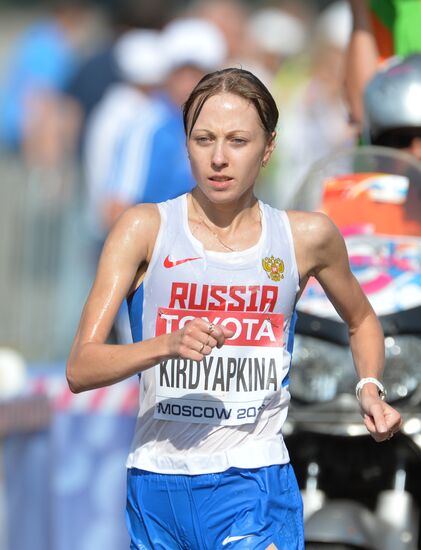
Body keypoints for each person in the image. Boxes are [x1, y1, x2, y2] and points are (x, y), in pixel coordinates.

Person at [67, 68, 402, 549]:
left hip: (254, 479)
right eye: (203, 139)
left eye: (238, 141)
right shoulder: (144, 228)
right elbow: (81, 367)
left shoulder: (305, 236)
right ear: (186, 143)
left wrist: (369, 387)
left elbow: (362, 319)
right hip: (156, 480)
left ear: (268, 148)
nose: (218, 159)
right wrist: (165, 345)